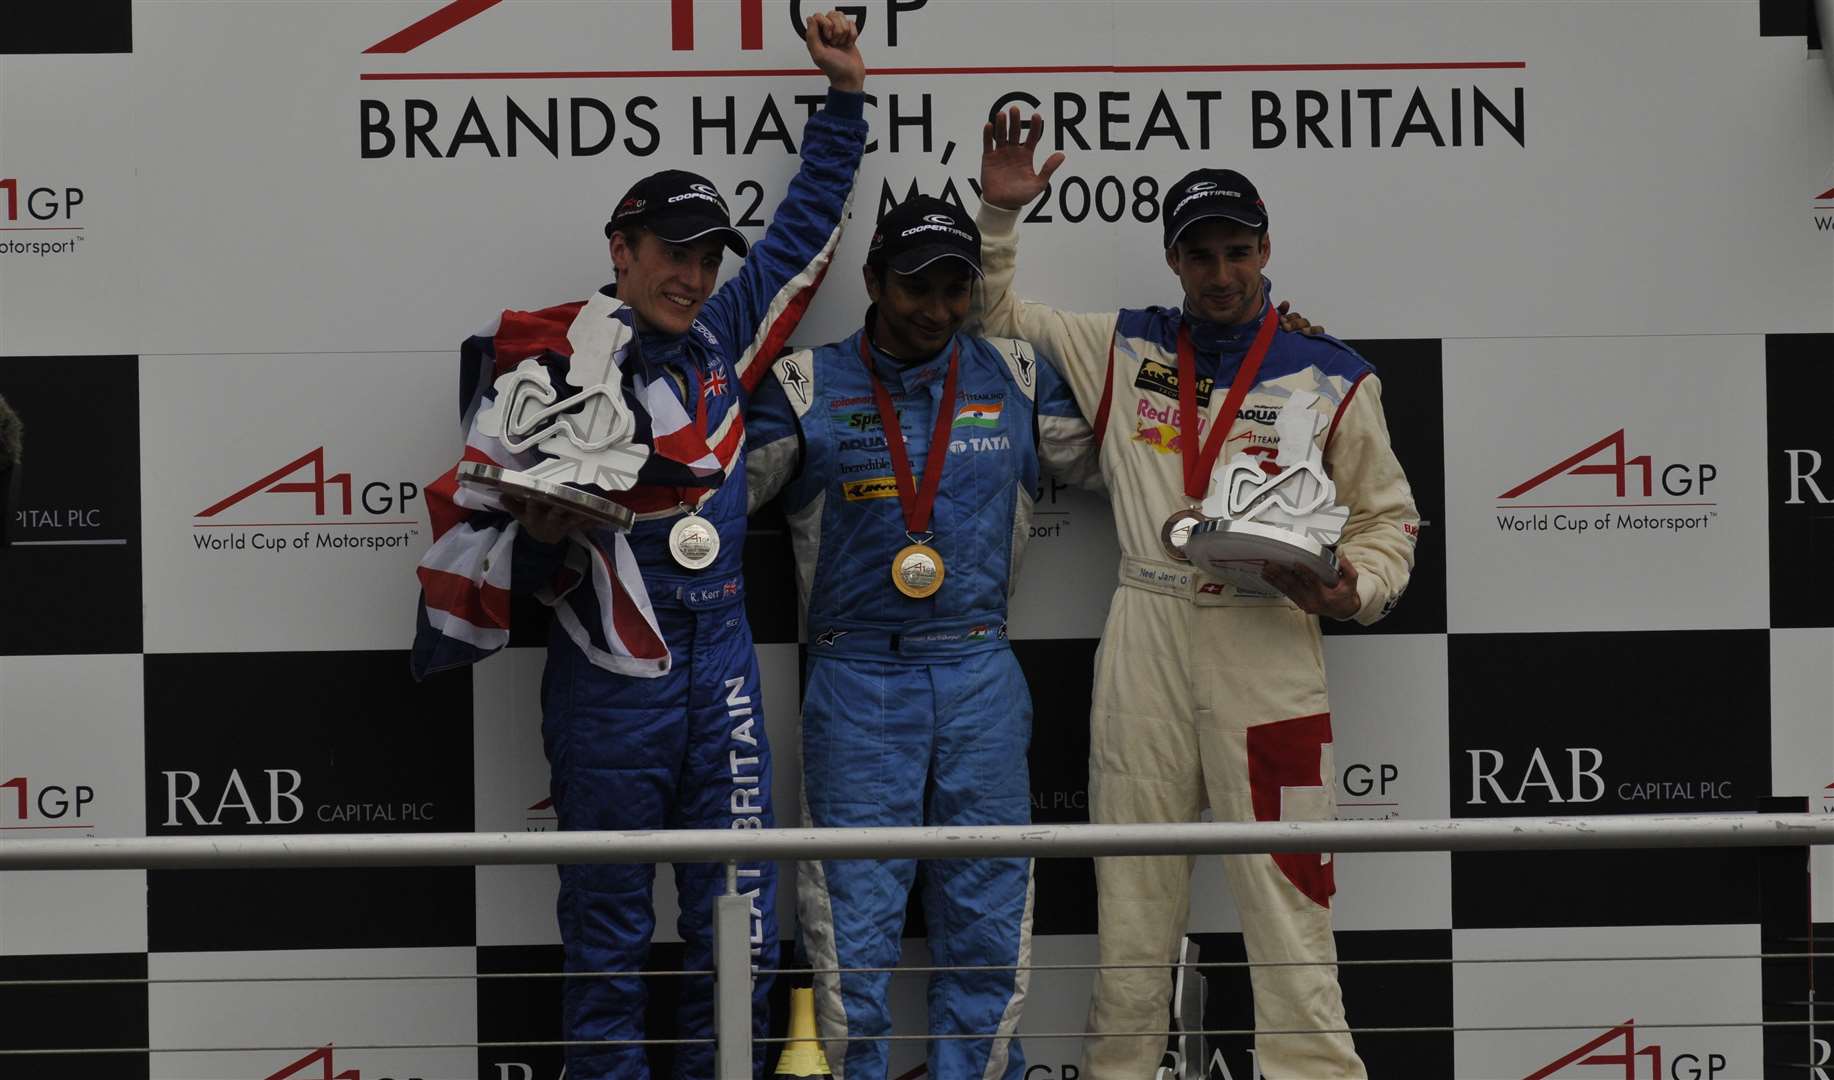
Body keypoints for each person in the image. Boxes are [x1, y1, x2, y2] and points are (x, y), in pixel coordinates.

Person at [409, 14, 868, 1079]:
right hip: (610, 662)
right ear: (621, 250)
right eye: (674, 254)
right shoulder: (549, 360)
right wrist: (542, 543)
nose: (695, 276)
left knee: (739, 920)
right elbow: (487, 549)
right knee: (608, 926)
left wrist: (843, 103)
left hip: (724, 667)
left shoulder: (722, 334)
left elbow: (802, 231)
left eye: (708, 257)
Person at [974, 108, 1421, 1080]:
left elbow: (1389, 520)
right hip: (1144, 627)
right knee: (1132, 904)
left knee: (1288, 897)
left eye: (1236, 251)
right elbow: (994, 319)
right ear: (1173, 261)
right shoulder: (1124, 345)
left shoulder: (1333, 375)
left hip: (1269, 640)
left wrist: (1356, 591)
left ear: (1264, 248)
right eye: (1200, 255)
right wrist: (1000, 218)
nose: (1221, 274)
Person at [745, 195, 1096, 1080]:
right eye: (914, 287)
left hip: (980, 668)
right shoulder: (803, 385)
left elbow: (1134, 453)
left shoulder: (1015, 375)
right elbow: (705, 498)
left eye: (953, 288)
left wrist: (1242, 373)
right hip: (855, 677)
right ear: (872, 281)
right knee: (851, 925)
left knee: (988, 916)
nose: (935, 308)